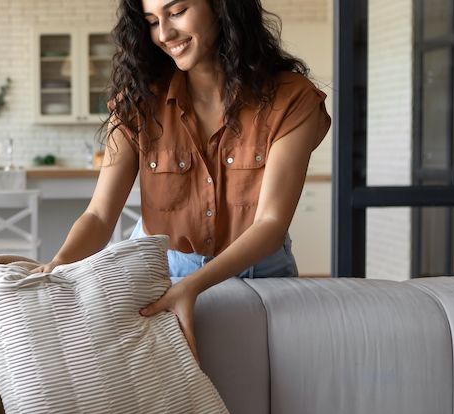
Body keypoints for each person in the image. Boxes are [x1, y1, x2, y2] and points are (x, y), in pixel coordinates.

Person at [33, 0, 330, 358]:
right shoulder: (138, 103)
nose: (164, 33)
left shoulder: (291, 98)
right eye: (152, 21)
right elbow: (99, 215)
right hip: (164, 270)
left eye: (176, 12)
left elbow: (270, 222)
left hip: (260, 276)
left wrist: (192, 287)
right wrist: (57, 267)